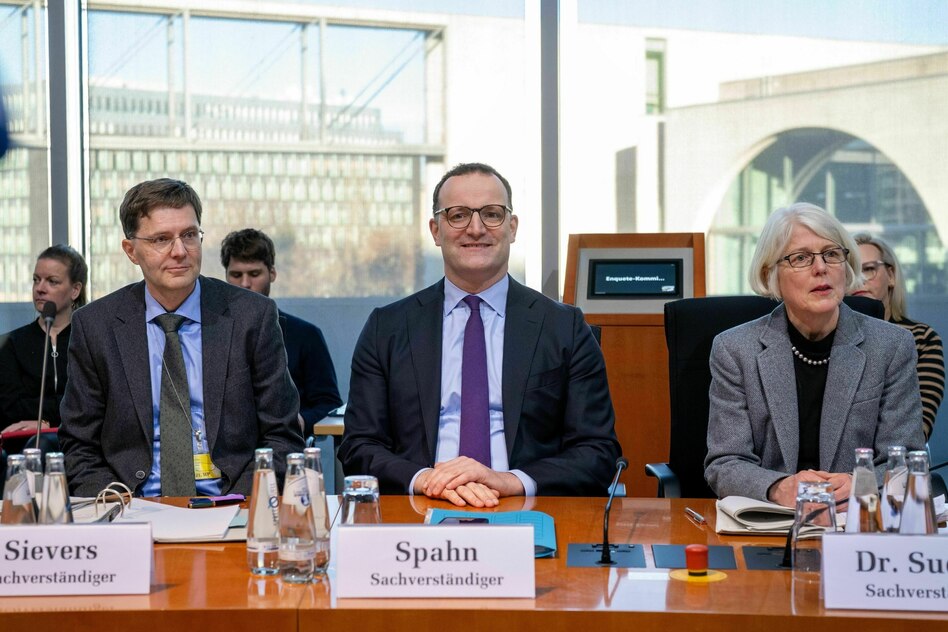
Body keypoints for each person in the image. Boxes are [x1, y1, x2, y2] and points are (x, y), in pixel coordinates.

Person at [338, 162, 620, 506]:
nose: (475, 228)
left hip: (527, 507)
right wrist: (425, 479)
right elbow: (359, 446)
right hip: (422, 506)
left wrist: (509, 481)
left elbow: (597, 451)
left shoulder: (565, 328)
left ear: (512, 228)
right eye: (458, 215)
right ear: (436, 230)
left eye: (492, 214)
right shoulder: (387, 328)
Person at [59, 178, 303, 497]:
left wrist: (241, 504)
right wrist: (120, 506)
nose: (179, 252)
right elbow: (79, 446)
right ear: (131, 251)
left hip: (231, 501)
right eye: (161, 239)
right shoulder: (96, 326)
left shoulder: (252, 316)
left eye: (189, 235)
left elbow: (282, 436)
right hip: (132, 505)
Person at [704, 202, 924, 507]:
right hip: (773, 519)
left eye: (831, 254)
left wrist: (859, 483)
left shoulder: (890, 346)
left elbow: (907, 461)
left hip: (855, 518)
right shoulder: (735, 350)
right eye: (801, 258)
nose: (821, 268)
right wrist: (779, 487)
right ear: (770, 274)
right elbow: (725, 464)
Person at [220, 228, 343, 436]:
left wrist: (300, 421)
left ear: (272, 274)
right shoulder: (210, 333)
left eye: (254, 274)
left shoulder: (305, 335)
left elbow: (329, 404)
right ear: (226, 276)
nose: (245, 284)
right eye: (236, 275)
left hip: (286, 446)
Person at [850, 233, 944, 441]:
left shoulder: (922, 338)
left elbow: (917, 428)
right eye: (851, 272)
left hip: (894, 454)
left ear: (891, 275)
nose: (860, 280)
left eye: (868, 269)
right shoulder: (830, 340)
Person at [0, 245, 87, 436]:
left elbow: (91, 402)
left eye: (52, 281)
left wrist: (47, 422)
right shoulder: (10, 344)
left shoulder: (90, 341)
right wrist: (61, 409)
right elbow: (9, 407)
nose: (40, 289)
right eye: (36, 280)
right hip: (23, 442)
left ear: (75, 290)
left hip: (80, 441)